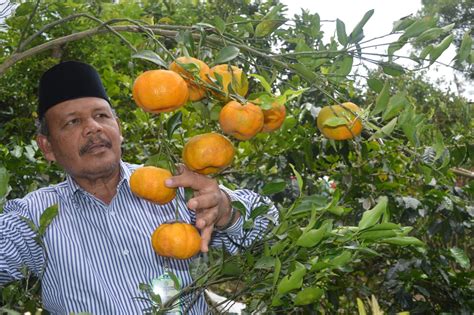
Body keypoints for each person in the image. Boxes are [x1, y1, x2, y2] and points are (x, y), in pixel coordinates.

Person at [0, 61, 278, 314]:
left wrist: (226, 210)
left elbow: (270, 226)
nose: (93, 128)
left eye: (102, 116)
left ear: (119, 129)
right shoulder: (34, 215)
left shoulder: (170, 184)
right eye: (73, 122)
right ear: (47, 147)